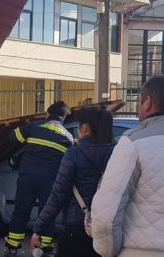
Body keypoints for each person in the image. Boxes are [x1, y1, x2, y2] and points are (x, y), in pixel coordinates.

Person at [91, 75, 164, 257]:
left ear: (147, 102)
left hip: (136, 250)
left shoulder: (133, 143)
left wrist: (107, 250)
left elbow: (106, 213)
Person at [30, 107, 115, 257]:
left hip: (75, 227)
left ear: (84, 127)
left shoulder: (74, 154)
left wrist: (38, 229)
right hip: (108, 227)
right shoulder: (116, 153)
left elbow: (58, 195)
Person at [4, 101, 75, 257]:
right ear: (63, 118)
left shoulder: (34, 127)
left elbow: (12, 137)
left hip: (27, 178)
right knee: (47, 213)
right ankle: (46, 249)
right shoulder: (69, 138)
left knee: (21, 211)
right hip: (49, 181)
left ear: (47, 114)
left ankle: (12, 247)